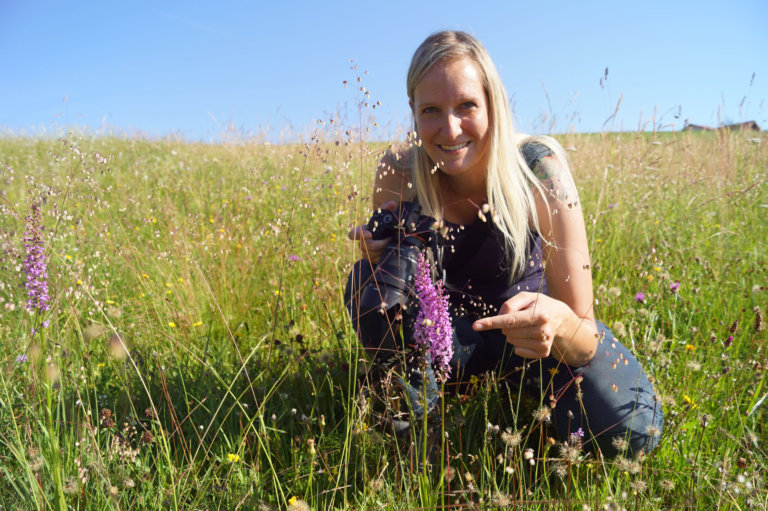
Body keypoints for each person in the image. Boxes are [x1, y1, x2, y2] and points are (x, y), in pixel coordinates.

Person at [345, 30, 662, 458]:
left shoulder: (539, 171)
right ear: (413, 112)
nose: (450, 128)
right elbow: (389, 297)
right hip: (449, 344)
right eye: (431, 110)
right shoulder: (401, 169)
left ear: (494, 102)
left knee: (634, 431)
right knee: (366, 278)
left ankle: (527, 408)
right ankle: (416, 430)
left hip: (532, 345)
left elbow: (583, 333)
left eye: (467, 106)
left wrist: (558, 324)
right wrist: (383, 254)